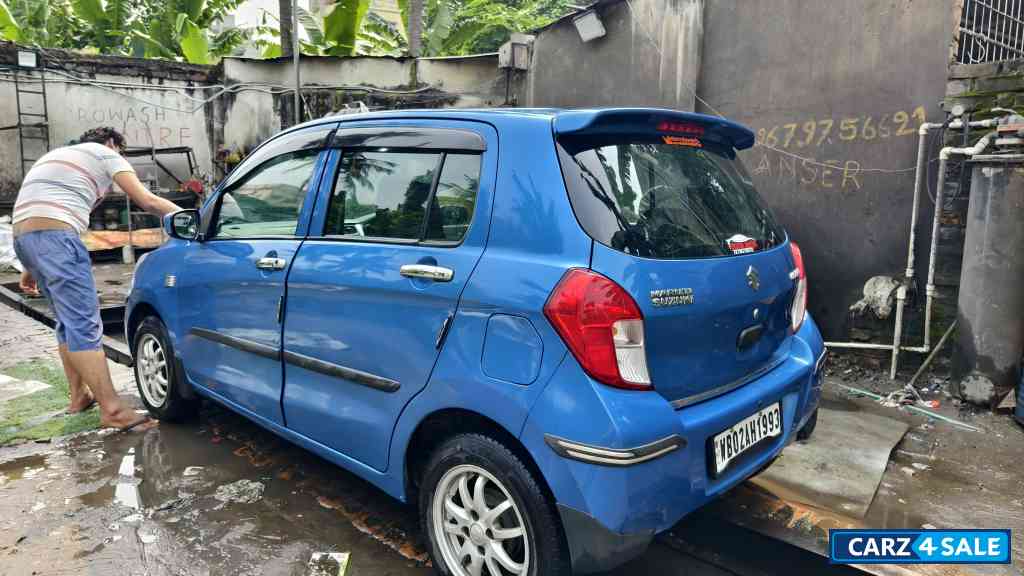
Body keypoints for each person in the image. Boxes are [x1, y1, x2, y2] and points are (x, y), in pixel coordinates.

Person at [12, 127, 182, 431]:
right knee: (83, 324)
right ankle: (113, 410)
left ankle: (79, 396)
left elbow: (41, 207)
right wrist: (195, 218)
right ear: (113, 143)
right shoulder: (104, 153)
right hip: (54, 237)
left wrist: (29, 264)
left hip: (26, 239)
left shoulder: (60, 155)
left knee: (67, 322)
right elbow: (148, 201)